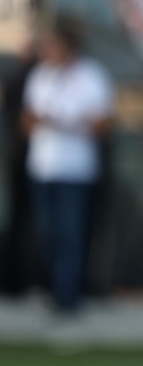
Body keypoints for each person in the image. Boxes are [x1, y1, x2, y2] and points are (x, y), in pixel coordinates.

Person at [22, 18, 114, 312]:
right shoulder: (41, 76)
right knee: (48, 233)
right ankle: (58, 289)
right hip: (43, 167)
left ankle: (68, 296)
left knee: (71, 233)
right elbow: (26, 119)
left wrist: (68, 124)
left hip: (76, 169)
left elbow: (104, 122)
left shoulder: (92, 76)